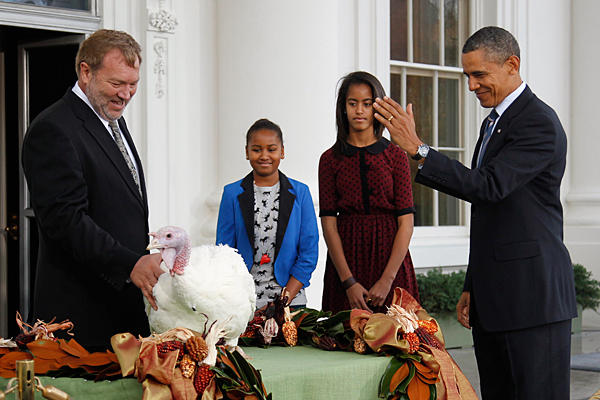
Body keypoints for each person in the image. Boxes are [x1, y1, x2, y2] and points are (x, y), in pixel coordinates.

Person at [374, 26, 577, 399]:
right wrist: (473, 284)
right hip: (494, 300)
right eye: (467, 75)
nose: (470, 86)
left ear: (512, 65)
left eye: (479, 74)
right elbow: (490, 212)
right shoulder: (492, 123)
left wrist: (420, 150)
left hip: (533, 302)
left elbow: (488, 186)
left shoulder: (537, 123)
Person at [21, 29, 164, 350]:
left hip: (121, 310)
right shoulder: (53, 129)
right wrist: (130, 263)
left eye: (133, 84)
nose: (126, 95)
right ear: (85, 71)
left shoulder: (114, 119)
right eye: (117, 83)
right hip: (80, 316)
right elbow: (66, 220)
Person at [318, 71, 419, 315]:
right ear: (343, 108)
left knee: (398, 341)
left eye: (367, 104)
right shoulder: (329, 160)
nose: (359, 111)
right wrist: (348, 282)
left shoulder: (396, 156)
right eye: (353, 104)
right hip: (346, 260)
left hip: (390, 260)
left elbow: (406, 222)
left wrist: (387, 280)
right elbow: (329, 225)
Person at [216, 118, 319, 309]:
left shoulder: (300, 193)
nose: (264, 155)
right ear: (247, 152)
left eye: (271, 149)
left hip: (291, 302)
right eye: (257, 149)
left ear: (282, 151)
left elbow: (309, 252)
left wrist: (282, 302)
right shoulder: (231, 194)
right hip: (244, 304)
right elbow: (224, 252)